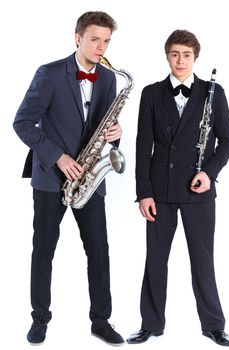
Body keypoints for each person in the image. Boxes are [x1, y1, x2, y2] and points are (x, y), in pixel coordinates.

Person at [13, 11, 124, 346]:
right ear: (78, 37)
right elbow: (22, 123)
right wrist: (58, 157)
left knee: (99, 251)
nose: (100, 46)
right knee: (43, 250)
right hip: (50, 177)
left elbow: (105, 128)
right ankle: (39, 319)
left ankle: (101, 321)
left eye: (106, 41)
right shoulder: (48, 74)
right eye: (94, 39)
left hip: (89, 177)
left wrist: (115, 135)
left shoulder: (108, 79)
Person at [127, 29, 229, 347]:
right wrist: (143, 191)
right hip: (159, 192)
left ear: (195, 58)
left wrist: (209, 173)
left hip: (198, 190)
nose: (180, 60)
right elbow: (142, 146)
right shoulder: (150, 93)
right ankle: (150, 324)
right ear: (167, 56)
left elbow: (228, 141)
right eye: (175, 53)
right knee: (155, 259)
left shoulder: (213, 92)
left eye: (186, 54)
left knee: (203, 259)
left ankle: (214, 325)